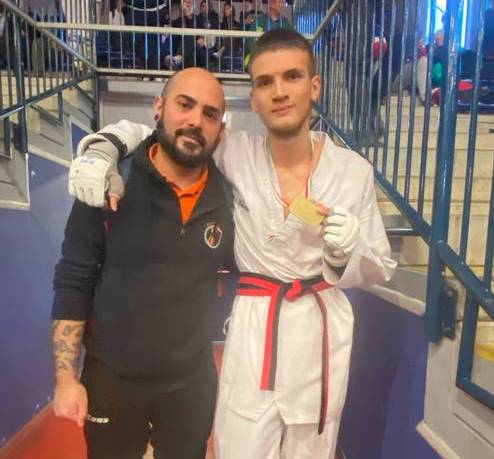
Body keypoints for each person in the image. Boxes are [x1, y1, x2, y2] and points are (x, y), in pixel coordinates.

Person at [68, 29, 396, 458]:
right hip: (254, 327)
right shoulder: (235, 153)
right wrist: (103, 147)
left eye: (292, 76)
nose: (279, 92)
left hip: (319, 331)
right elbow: (168, 129)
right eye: (265, 82)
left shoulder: (353, 172)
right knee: (239, 444)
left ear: (314, 86)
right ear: (253, 98)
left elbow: (379, 265)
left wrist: (347, 252)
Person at [51, 68, 235, 459]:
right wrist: (66, 377)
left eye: (210, 114)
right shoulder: (108, 180)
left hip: (190, 385)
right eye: (185, 105)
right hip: (112, 382)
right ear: (159, 107)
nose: (195, 121)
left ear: (220, 129)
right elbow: (73, 279)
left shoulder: (230, 198)